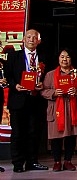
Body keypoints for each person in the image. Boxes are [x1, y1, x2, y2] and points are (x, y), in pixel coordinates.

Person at [5, 29, 48, 172]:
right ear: (23, 39)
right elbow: (8, 75)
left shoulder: (44, 57)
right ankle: (18, 163)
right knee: (18, 133)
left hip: (36, 100)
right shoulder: (14, 56)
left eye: (34, 38)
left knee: (34, 132)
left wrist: (42, 84)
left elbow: (48, 76)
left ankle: (32, 161)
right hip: (18, 100)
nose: (31, 40)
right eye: (28, 37)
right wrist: (15, 85)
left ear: (39, 41)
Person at [41, 48, 77, 171]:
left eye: (68, 57)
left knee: (71, 135)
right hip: (56, 109)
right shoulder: (50, 74)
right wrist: (54, 93)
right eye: (62, 57)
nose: (65, 59)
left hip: (72, 107)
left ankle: (68, 161)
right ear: (58, 59)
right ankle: (57, 161)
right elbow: (43, 91)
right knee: (56, 136)